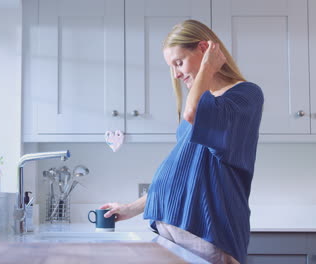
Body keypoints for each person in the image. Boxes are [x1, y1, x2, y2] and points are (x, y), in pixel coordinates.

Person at [100, 20, 264, 264]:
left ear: (203, 49)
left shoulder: (245, 95)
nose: (176, 74)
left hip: (209, 233)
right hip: (176, 232)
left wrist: (208, 68)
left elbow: (193, 112)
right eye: (172, 67)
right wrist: (131, 208)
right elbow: (186, 174)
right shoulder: (202, 107)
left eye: (179, 62)